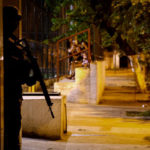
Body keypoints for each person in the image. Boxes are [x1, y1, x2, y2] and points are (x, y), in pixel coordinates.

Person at [3, 6, 38, 150]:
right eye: (13, 21)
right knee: (11, 132)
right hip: (9, 96)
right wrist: (27, 68)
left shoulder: (13, 41)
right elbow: (16, 72)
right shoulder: (7, 43)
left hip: (13, 95)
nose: (16, 25)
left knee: (14, 129)